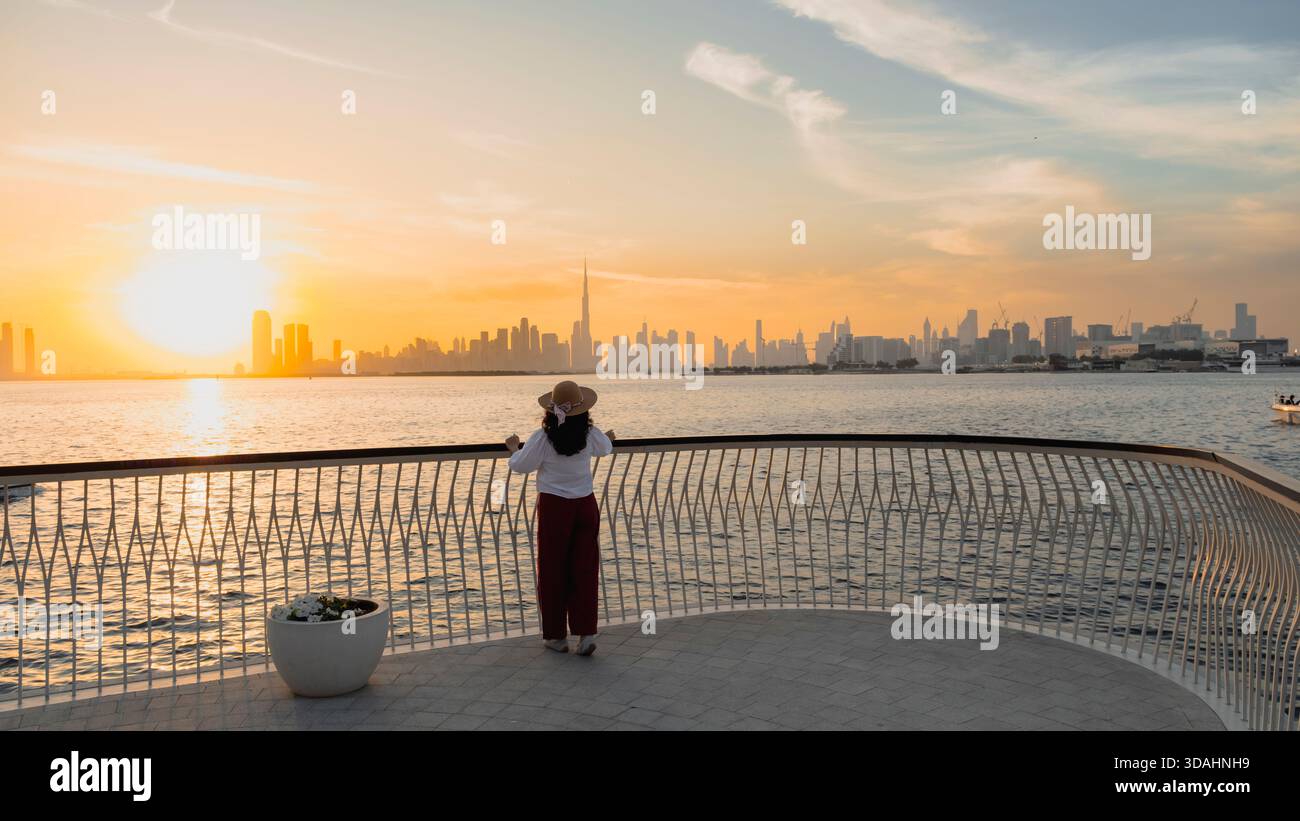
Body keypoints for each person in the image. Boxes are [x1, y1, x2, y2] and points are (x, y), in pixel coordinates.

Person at [505, 380, 615, 656]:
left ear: (550, 410)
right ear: (584, 409)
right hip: (585, 505)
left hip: (555, 507)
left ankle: (556, 636)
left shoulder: (542, 437)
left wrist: (514, 449)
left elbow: (520, 466)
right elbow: (605, 448)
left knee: (553, 569)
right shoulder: (589, 434)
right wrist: (610, 438)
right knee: (585, 568)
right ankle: (586, 632)